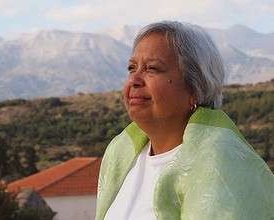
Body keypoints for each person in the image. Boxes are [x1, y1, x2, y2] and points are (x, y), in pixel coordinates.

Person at [95, 21, 274, 220]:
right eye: (132, 68)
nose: (134, 80)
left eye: (152, 68)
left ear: (194, 87)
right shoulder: (120, 155)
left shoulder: (220, 167)